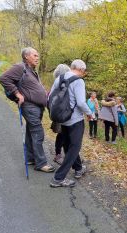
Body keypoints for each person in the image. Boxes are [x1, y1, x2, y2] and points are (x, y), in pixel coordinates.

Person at [0, 47, 55, 173]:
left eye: (37, 55)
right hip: (29, 107)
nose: (37, 57)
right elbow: (3, 78)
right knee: (38, 133)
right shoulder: (20, 67)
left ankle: (30, 158)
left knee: (31, 132)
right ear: (26, 57)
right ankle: (41, 163)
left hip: (37, 107)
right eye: (34, 55)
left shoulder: (31, 70)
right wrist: (17, 94)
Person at [49, 59, 93, 188]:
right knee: (74, 148)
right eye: (83, 72)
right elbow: (80, 103)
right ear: (81, 69)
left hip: (63, 119)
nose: (83, 74)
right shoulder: (78, 81)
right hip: (75, 120)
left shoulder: (59, 78)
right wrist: (90, 114)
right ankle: (58, 178)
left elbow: (50, 96)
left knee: (68, 145)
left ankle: (79, 169)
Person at [51, 64, 71, 165]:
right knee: (62, 134)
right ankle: (58, 155)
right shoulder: (59, 83)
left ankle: (70, 156)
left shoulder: (60, 82)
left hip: (61, 113)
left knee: (64, 134)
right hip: (60, 114)